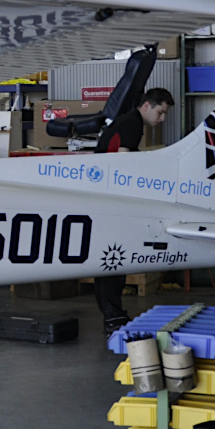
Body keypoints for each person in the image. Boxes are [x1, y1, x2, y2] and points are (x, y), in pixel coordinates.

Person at [92, 87, 174, 336]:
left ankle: (113, 313)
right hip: (109, 201)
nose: (160, 120)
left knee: (113, 258)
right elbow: (123, 165)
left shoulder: (127, 121)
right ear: (147, 106)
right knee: (111, 258)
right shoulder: (132, 124)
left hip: (104, 197)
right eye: (160, 113)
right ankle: (112, 316)